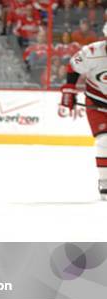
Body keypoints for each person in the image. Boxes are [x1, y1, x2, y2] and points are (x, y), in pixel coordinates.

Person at [60, 23, 107, 200]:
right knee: (104, 141)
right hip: (97, 101)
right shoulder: (91, 53)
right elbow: (73, 67)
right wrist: (69, 90)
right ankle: (105, 181)